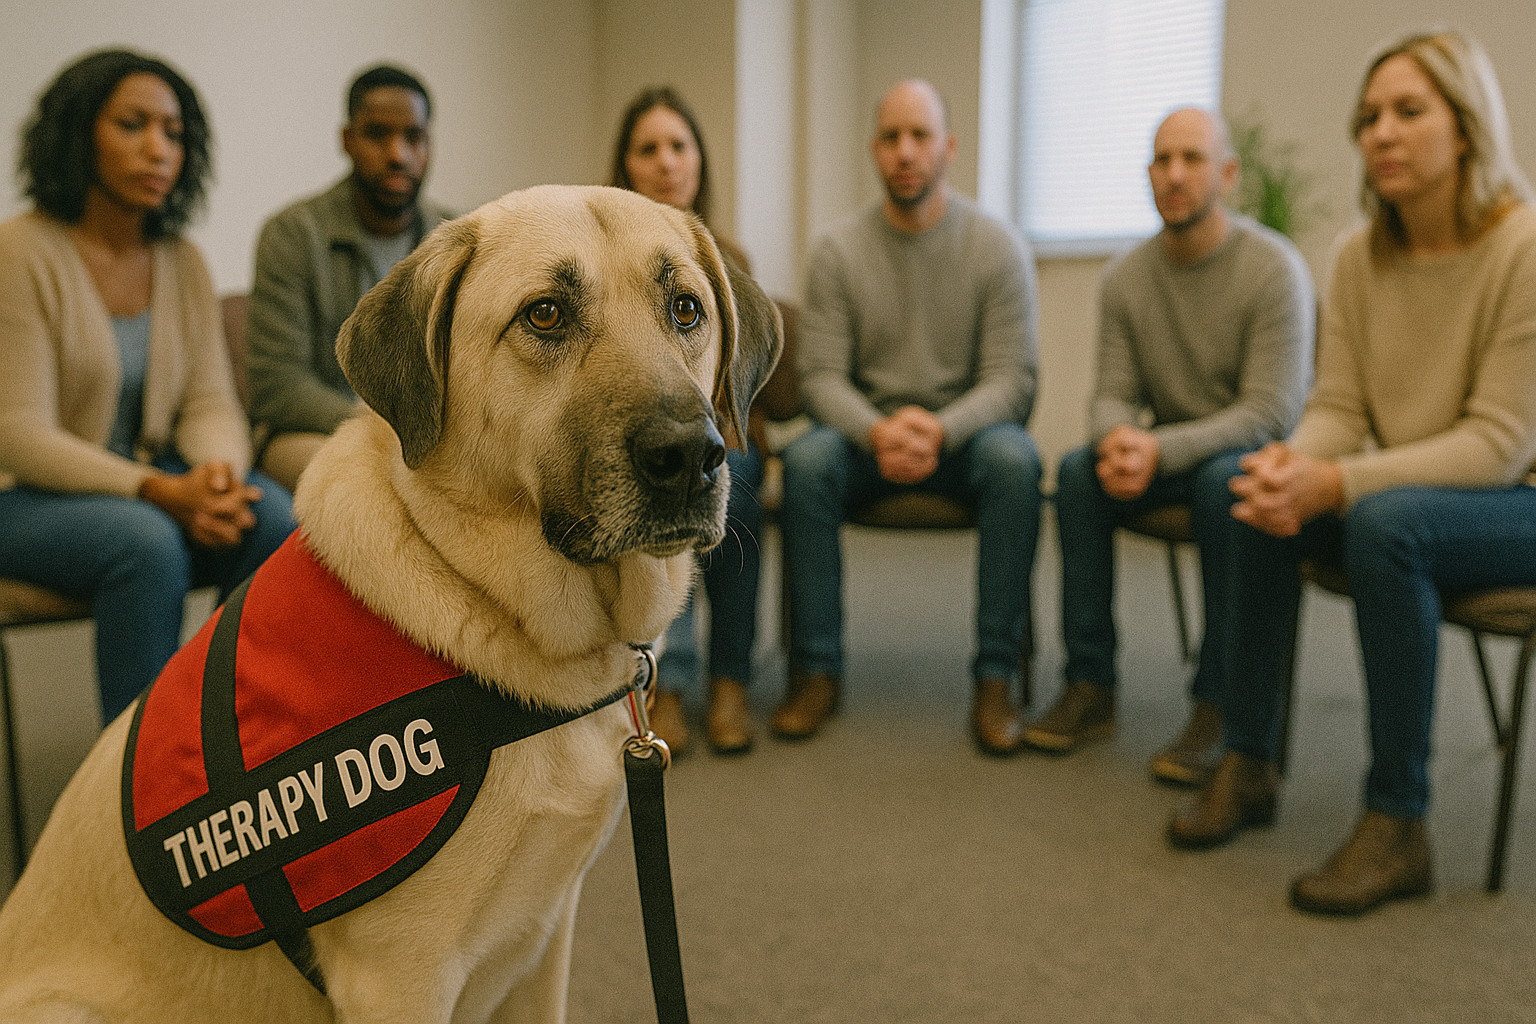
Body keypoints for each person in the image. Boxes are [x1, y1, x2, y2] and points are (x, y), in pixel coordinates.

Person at [1167, 28, 1536, 916]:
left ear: (1469, 125)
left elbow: (1499, 442)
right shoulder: (1356, 254)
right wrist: (1293, 463)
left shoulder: (1524, 247)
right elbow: (1339, 408)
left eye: (1410, 111)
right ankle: (1250, 761)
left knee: (1383, 523)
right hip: (1405, 490)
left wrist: (1336, 485)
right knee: (1241, 487)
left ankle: (1398, 820)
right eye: (1369, 116)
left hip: (1513, 501)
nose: (1381, 132)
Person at [0, 49, 295, 724]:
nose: (158, 149)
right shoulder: (19, 251)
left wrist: (216, 478)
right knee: (146, 542)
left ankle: (237, 742)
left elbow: (211, 402)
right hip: (24, 501)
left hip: (148, 486)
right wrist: (160, 491)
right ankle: (140, 785)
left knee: (271, 516)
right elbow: (18, 434)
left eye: (173, 132)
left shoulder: (182, 259)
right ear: (79, 135)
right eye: (133, 125)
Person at [1028, 108, 1314, 785]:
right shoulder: (1127, 276)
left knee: (1224, 485)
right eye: (1161, 160)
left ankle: (1217, 702)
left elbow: (1270, 413)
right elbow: (1112, 392)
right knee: (1076, 473)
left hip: (1239, 457)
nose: (1174, 174)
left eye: (1191, 158)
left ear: (1228, 174)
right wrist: (1118, 439)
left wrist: (1159, 449)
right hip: (1166, 454)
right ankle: (1090, 684)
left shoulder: (1274, 269)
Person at [778, 78, 1041, 752]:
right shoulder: (838, 250)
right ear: (874, 150)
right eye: (891, 138)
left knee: (1016, 461)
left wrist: (941, 429)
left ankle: (995, 678)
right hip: (868, 438)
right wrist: (877, 430)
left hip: (965, 440)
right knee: (807, 461)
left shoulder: (997, 246)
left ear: (948, 147)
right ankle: (816, 671)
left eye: (920, 136)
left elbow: (1014, 382)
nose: (905, 152)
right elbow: (821, 379)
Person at [610, 86, 773, 755]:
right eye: (648, 148)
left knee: (740, 478)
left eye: (679, 146)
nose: (666, 162)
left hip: (717, 432)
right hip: (632, 435)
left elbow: (737, 377)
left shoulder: (726, 259)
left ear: (700, 162)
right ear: (624, 166)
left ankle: (730, 680)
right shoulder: (603, 256)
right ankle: (664, 685)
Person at [244, 64, 453, 492]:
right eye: (377, 134)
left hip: (432, 436)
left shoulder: (453, 239)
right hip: (313, 432)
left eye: (413, 137)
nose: (397, 154)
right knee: (373, 487)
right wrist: (390, 425)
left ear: (428, 145)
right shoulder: (293, 233)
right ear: (348, 140)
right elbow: (279, 388)